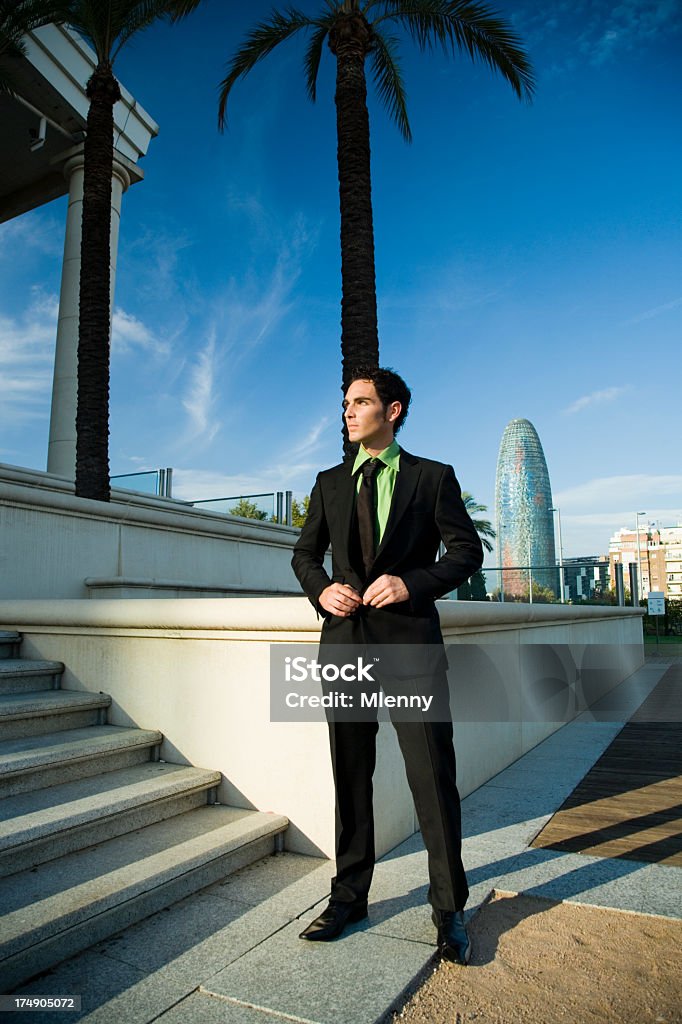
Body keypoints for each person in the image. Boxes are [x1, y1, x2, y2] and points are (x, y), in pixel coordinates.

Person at [291, 366, 484, 964]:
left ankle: (449, 908)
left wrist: (410, 583)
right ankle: (349, 897)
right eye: (346, 403)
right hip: (344, 649)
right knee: (350, 779)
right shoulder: (327, 482)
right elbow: (304, 555)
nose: (347, 412)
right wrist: (321, 590)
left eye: (360, 402)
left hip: (411, 652)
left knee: (432, 780)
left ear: (392, 411)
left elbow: (466, 552)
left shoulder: (432, 478)